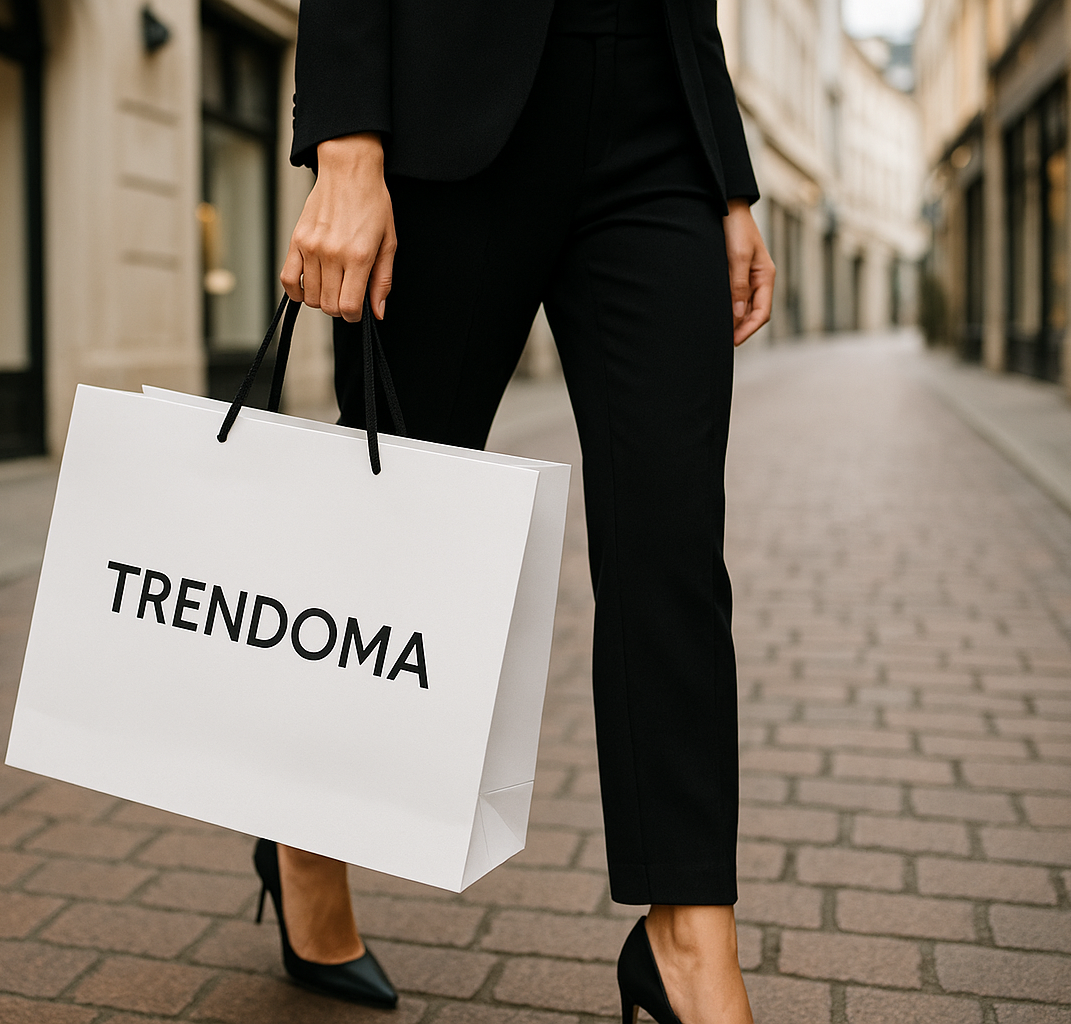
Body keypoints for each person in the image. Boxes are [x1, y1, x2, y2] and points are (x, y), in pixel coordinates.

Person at [252, 0, 773, 1021]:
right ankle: (305, 836)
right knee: (396, 520)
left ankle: (688, 942)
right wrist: (348, 143)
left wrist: (729, 175)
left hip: (659, 126)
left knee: (671, 543)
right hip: (447, 113)